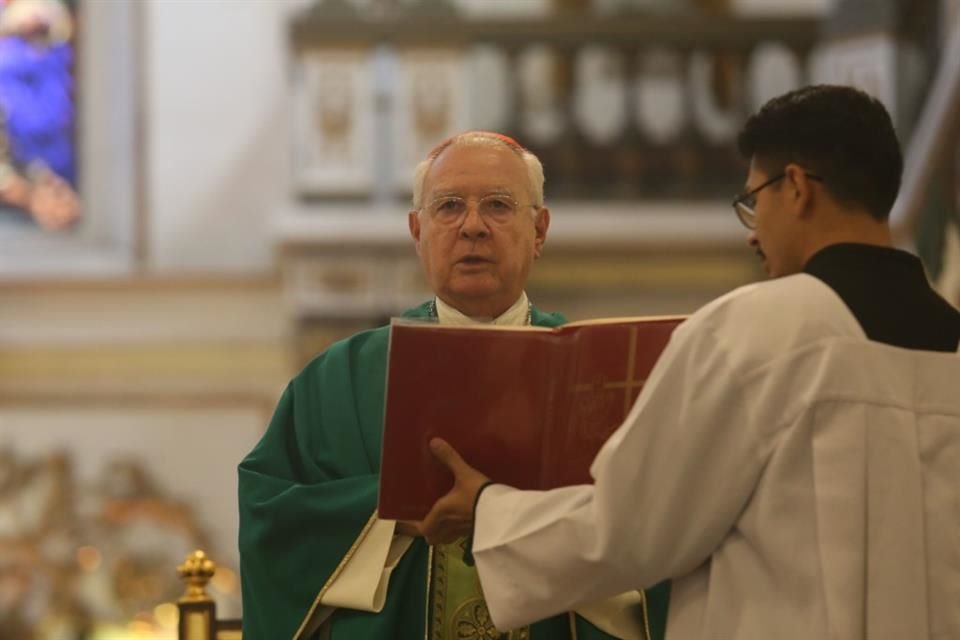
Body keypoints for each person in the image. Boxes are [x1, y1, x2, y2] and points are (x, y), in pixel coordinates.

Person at [417, 85, 960, 640]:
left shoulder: (758, 331)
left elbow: (629, 527)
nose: (753, 232)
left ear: (795, 188)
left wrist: (487, 508)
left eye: (755, 200)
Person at [238, 131, 668, 640]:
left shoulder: (601, 371)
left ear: (540, 230)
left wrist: (508, 515)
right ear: (417, 231)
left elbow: (660, 523)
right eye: (448, 208)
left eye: (498, 206)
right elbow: (273, 522)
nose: (472, 227)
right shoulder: (339, 379)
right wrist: (396, 516)